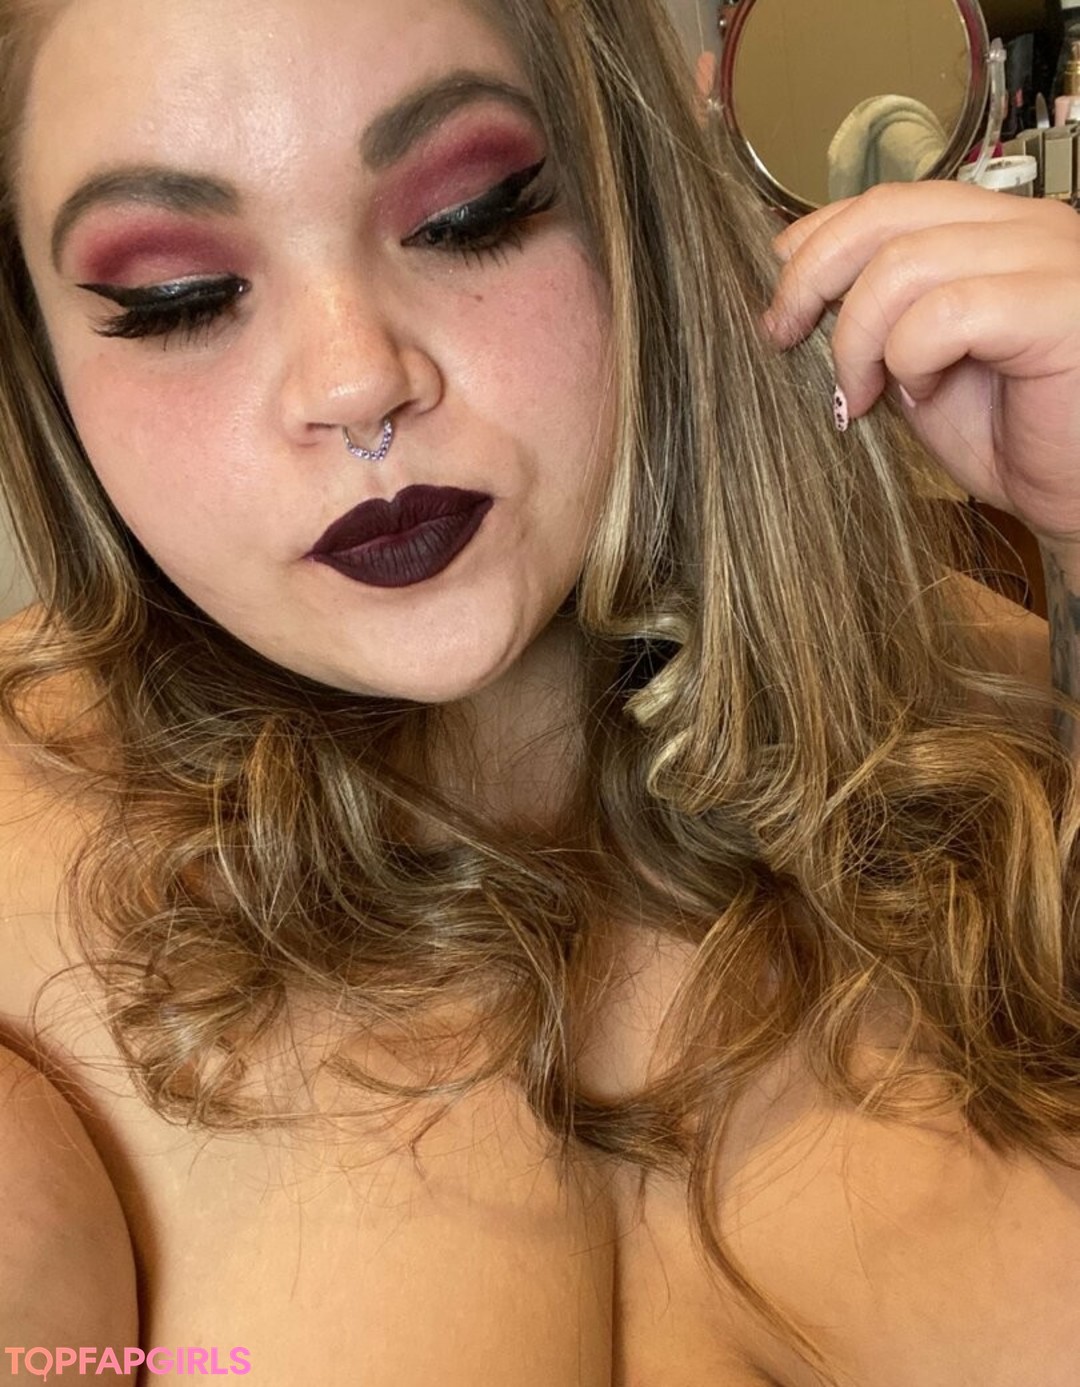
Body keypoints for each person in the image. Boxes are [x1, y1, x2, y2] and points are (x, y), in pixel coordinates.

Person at [0, 1, 1078, 1384]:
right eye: (180, 298)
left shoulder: (993, 710)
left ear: (632, 202)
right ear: (42, 352)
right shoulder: (28, 917)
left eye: (471, 215)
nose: (358, 383)